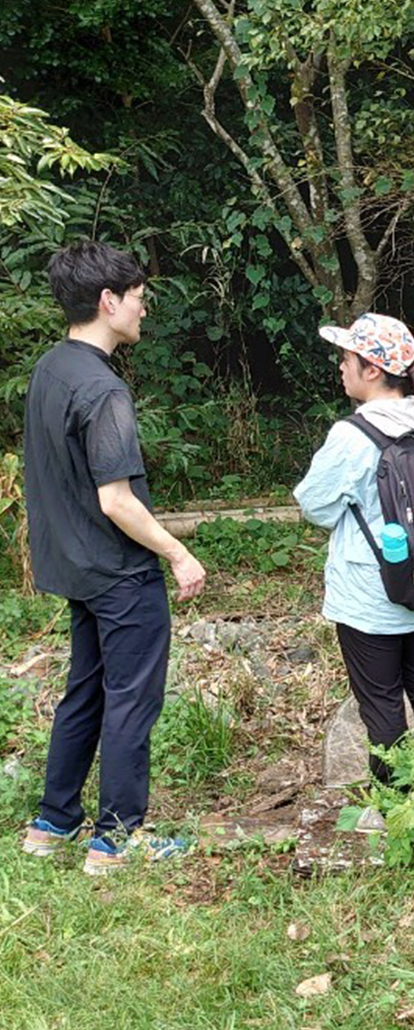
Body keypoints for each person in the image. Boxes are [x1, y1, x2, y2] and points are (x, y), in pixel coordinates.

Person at [20, 240, 204, 875]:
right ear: (109, 301)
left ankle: (53, 822)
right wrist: (178, 553)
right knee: (131, 699)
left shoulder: (51, 369)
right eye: (139, 299)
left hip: (73, 567)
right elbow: (117, 500)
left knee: (87, 689)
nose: (143, 311)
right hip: (120, 572)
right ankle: (117, 839)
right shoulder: (103, 391)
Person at [293, 313, 414, 785]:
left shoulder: (352, 436)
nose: (340, 367)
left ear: (371, 370)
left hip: (371, 599)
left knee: (382, 703)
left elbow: (315, 506)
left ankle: (395, 805)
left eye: (346, 358)